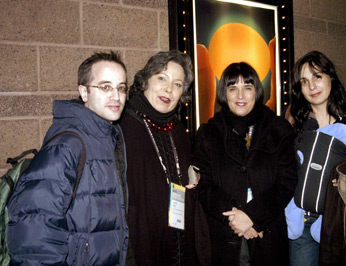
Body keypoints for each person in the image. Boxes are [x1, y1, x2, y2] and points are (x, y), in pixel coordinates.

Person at [6, 51, 129, 265]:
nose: (116, 96)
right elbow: (34, 235)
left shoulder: (107, 138)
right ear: (84, 92)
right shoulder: (68, 145)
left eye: (121, 88)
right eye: (105, 87)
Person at [193, 62, 298, 265]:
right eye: (233, 89)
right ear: (224, 93)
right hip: (223, 239)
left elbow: (286, 182)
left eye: (247, 88)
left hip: (267, 237)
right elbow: (204, 185)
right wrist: (236, 218)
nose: (240, 96)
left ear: (256, 91)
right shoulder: (208, 133)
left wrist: (252, 216)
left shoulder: (279, 129)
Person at [119, 50, 210, 266]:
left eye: (178, 84)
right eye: (162, 78)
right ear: (144, 81)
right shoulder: (122, 125)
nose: (169, 89)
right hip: (140, 243)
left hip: (179, 241)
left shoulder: (177, 129)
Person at [285, 51, 346, 266]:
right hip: (301, 221)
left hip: (339, 219)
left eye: (317, 76)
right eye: (304, 81)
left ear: (330, 77)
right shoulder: (295, 122)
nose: (311, 86)